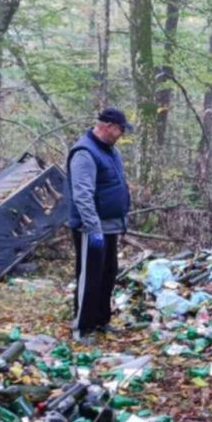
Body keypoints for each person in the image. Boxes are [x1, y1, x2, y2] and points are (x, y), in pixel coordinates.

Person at [67, 108, 133, 343]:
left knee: (108, 274)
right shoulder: (85, 152)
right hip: (92, 228)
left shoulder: (110, 151)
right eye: (120, 129)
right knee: (90, 276)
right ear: (107, 126)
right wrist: (93, 228)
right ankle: (82, 327)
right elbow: (82, 194)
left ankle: (101, 320)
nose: (122, 134)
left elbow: (116, 185)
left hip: (111, 226)